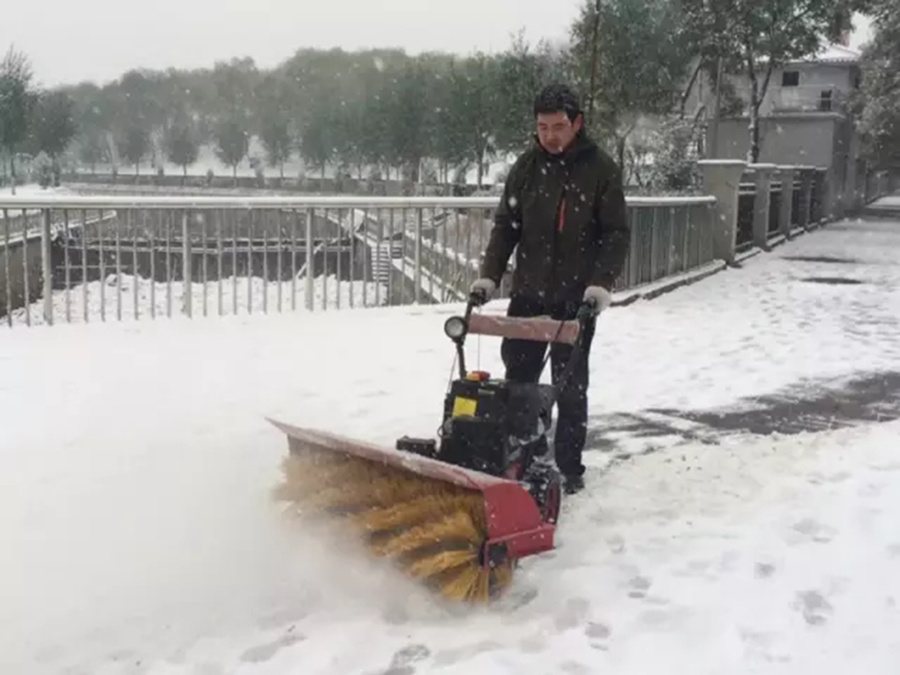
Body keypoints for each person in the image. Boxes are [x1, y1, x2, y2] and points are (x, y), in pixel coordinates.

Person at [468, 83, 630, 495]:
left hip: (577, 302)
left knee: (570, 388)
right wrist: (489, 276)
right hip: (528, 295)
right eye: (542, 127)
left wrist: (599, 285)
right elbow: (507, 228)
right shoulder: (525, 169)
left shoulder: (601, 171)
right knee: (519, 383)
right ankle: (525, 459)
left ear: (577, 123)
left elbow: (615, 235)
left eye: (558, 126)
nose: (550, 136)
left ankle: (569, 469)